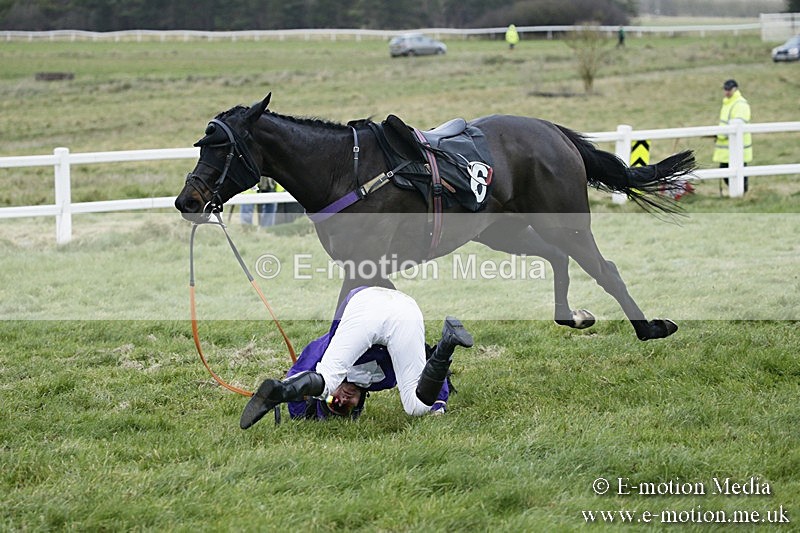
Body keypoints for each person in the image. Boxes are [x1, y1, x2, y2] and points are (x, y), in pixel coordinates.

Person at [240, 287, 474, 428]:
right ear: (360, 403)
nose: (342, 401)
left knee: (327, 380)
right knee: (415, 407)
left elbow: (298, 372)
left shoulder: (325, 353)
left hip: (366, 302)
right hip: (405, 309)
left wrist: (295, 401)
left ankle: (278, 393)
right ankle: (448, 342)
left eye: (333, 403)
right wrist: (439, 405)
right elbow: (424, 361)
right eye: (345, 408)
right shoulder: (385, 381)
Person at [713, 79, 752, 193]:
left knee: (737, 174)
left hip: (737, 147)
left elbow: (737, 126)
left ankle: (741, 194)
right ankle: (739, 194)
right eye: (725, 89)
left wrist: (719, 135)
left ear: (735, 89)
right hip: (727, 148)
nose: (726, 92)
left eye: (728, 89)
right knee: (726, 172)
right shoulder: (728, 103)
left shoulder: (740, 104)